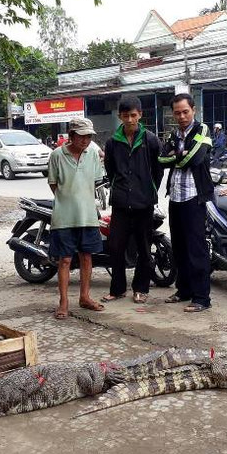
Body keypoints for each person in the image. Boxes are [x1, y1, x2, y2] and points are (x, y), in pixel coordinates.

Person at [101, 95, 163, 305]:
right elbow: (110, 170)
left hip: (143, 203)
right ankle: (117, 289)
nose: (129, 120)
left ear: (140, 115)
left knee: (144, 249)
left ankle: (141, 288)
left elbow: (158, 171)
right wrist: (120, 187)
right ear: (120, 116)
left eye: (133, 115)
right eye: (125, 116)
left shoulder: (151, 140)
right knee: (116, 247)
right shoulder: (112, 142)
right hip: (120, 203)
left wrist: (147, 189)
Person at [159, 93, 214, 312]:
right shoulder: (174, 135)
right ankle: (184, 291)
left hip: (194, 198)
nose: (181, 116)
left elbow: (196, 158)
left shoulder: (203, 130)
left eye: (185, 112)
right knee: (179, 248)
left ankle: (202, 298)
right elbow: (162, 160)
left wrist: (177, 154)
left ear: (194, 110)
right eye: (177, 113)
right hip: (176, 197)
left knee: (196, 249)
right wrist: (180, 155)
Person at [47, 117, 105, 319]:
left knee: (87, 257)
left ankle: (85, 297)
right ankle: (63, 302)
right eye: (82, 136)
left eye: (89, 136)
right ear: (71, 136)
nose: (86, 140)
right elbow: (53, 184)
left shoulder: (93, 155)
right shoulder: (56, 155)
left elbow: (96, 182)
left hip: (88, 215)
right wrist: (67, 200)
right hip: (63, 217)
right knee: (64, 260)